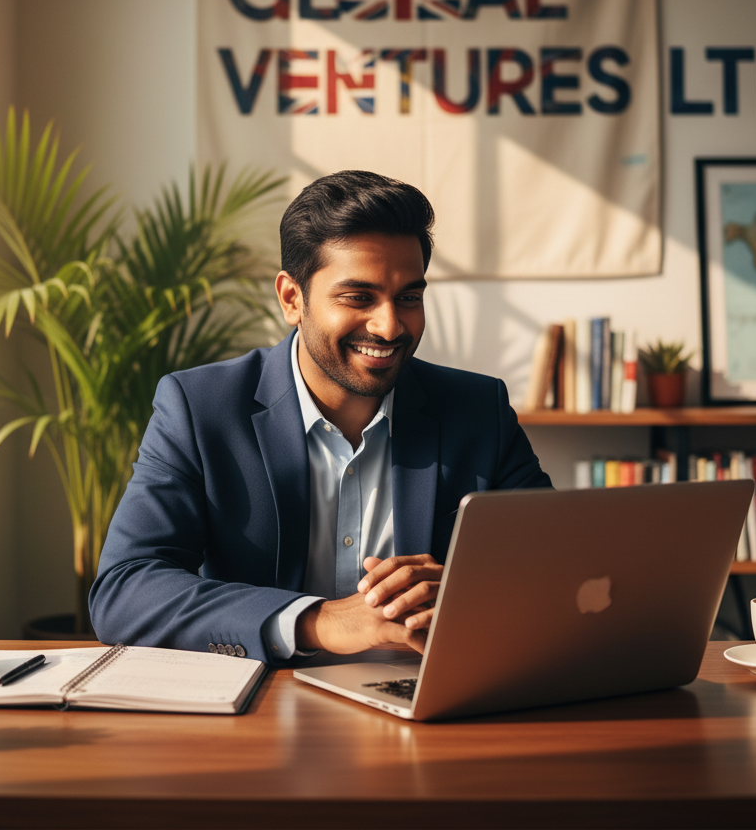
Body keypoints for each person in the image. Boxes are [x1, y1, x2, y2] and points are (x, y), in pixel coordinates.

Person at [89, 171, 551, 662]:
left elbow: (557, 566)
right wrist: (318, 620)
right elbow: (126, 589)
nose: (390, 325)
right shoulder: (200, 408)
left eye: (409, 297)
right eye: (359, 297)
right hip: (262, 712)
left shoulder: (478, 410)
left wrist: (466, 590)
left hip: (425, 703)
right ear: (292, 298)